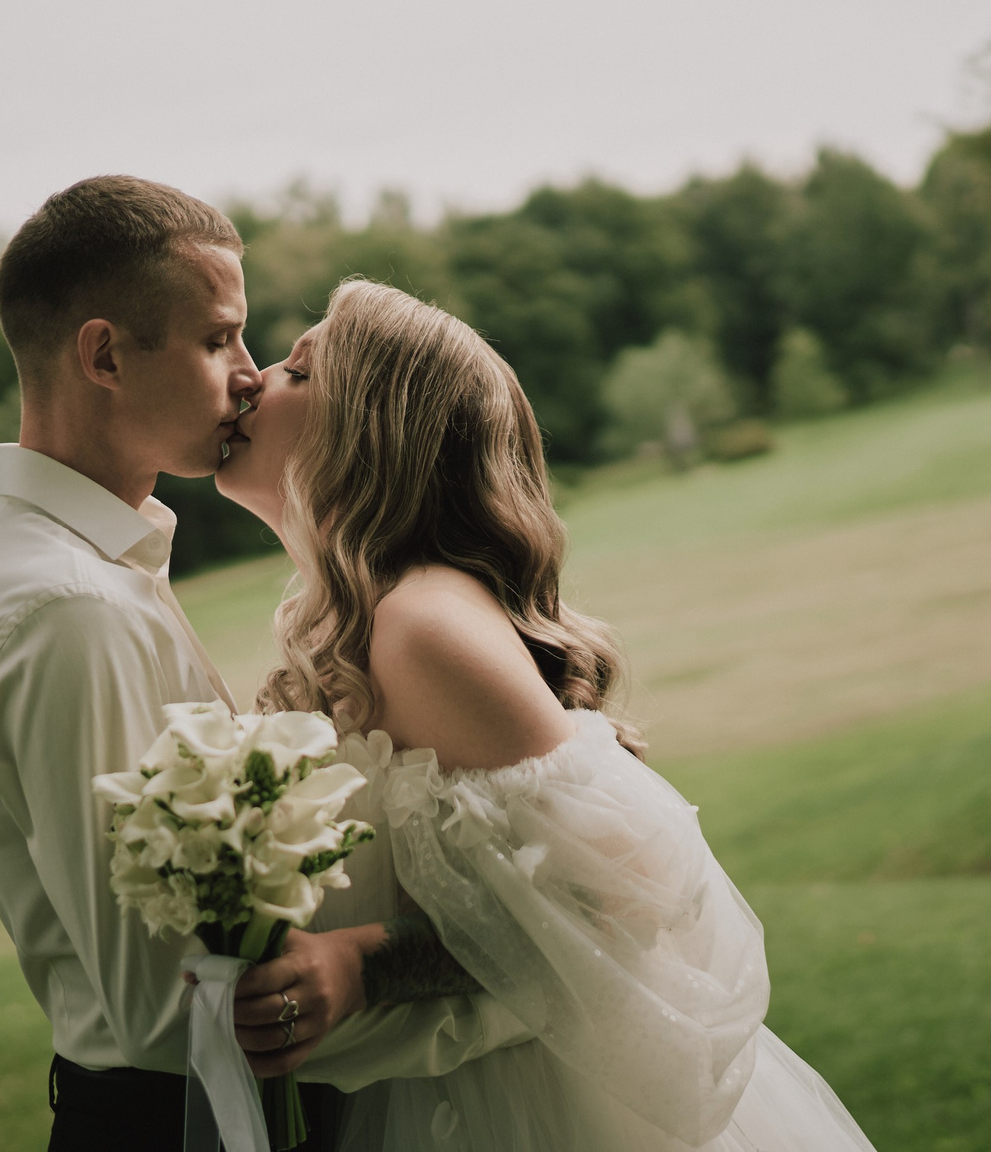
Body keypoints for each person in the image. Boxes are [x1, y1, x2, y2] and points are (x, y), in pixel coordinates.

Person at [0, 180, 532, 1152]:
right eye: (219, 341)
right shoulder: (65, 608)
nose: (246, 376)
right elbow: (173, 1014)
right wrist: (511, 988)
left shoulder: (90, 572)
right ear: (105, 355)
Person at [214, 279, 879, 1151]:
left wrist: (359, 964)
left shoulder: (421, 623)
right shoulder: (358, 617)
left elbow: (621, 898)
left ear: (371, 427)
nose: (257, 379)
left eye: (299, 369)